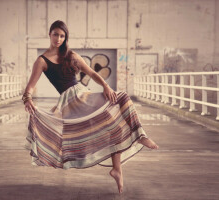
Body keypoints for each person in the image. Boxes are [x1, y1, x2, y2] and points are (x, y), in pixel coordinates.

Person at [22, 20, 159, 194]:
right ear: (49, 34)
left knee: (118, 109)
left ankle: (121, 163)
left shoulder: (71, 55)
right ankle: (132, 145)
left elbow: (93, 73)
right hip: (70, 103)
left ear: (65, 38)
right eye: (55, 34)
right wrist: (27, 99)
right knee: (107, 125)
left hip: (83, 95)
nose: (58, 38)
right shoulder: (41, 60)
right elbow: (30, 86)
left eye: (62, 36)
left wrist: (106, 86)